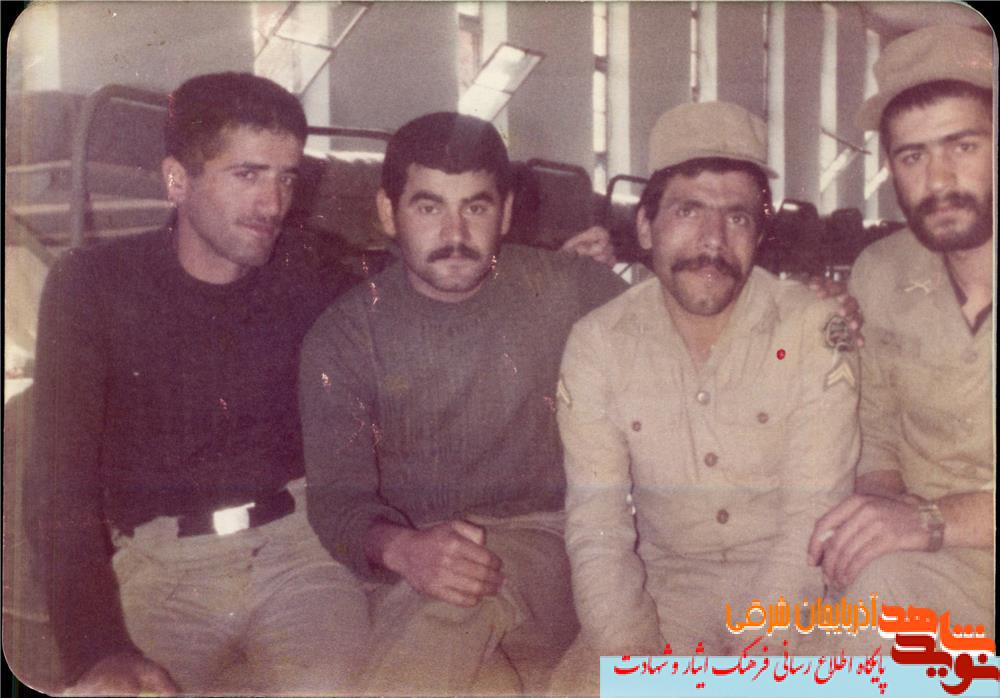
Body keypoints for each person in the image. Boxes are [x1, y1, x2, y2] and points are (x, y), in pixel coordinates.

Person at [25, 72, 368, 695]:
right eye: (248, 174)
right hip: (164, 569)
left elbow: (421, 287)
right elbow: (57, 485)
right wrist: (98, 649)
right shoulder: (91, 287)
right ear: (177, 180)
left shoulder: (308, 268)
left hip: (297, 553)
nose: (274, 204)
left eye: (287, 178)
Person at [298, 112, 628, 694]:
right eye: (429, 207)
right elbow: (337, 501)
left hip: (542, 543)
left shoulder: (568, 288)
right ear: (387, 213)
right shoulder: (346, 336)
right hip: (411, 563)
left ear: (505, 212)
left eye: (475, 207)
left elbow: (682, 319)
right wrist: (404, 548)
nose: (455, 232)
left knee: (455, 609)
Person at [553, 101, 861, 688]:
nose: (713, 240)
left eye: (737, 217)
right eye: (688, 210)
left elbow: (813, 514)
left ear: (758, 235)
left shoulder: (812, 329)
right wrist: (631, 658)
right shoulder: (598, 343)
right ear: (646, 227)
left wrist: (758, 660)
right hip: (664, 590)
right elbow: (597, 524)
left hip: (799, 589)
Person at [807, 24, 995, 644]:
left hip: (948, 529)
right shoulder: (882, 273)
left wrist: (928, 521)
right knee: (867, 598)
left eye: (963, 145)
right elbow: (878, 432)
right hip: (947, 564)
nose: (939, 180)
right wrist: (880, 518)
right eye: (913, 156)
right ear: (890, 168)